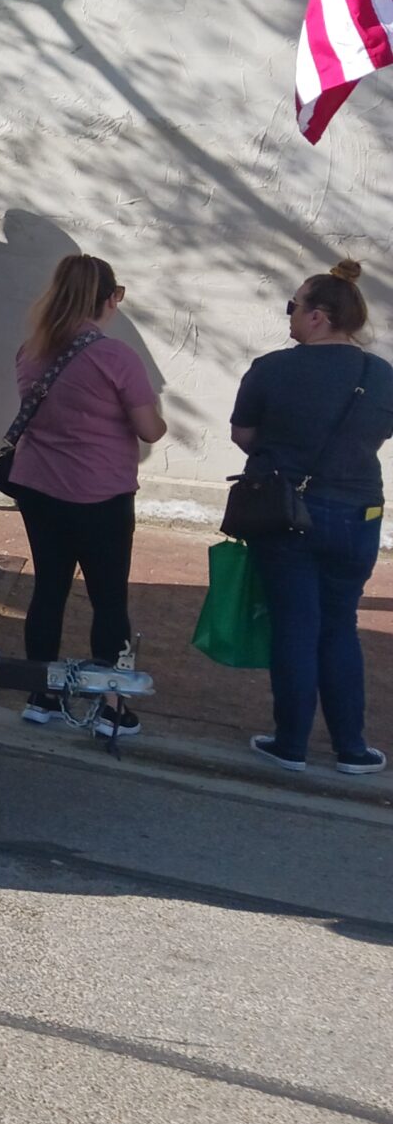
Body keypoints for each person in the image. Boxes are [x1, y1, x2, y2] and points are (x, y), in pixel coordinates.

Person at [231, 261, 393, 776]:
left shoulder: (273, 368)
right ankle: (351, 748)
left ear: (319, 317)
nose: (290, 315)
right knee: (339, 624)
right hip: (359, 511)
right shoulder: (382, 375)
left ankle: (292, 742)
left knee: (296, 626)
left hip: (288, 509)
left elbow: (243, 434)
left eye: (294, 306)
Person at [3, 255, 166, 738]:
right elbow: (149, 430)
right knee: (108, 599)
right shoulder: (115, 357)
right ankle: (111, 704)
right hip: (101, 493)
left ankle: (41, 693)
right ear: (108, 299)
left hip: (39, 487)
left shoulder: (31, 350)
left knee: (49, 589)